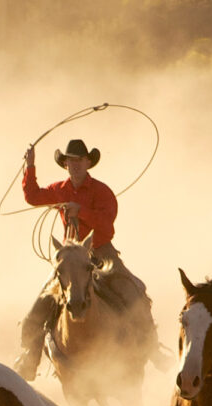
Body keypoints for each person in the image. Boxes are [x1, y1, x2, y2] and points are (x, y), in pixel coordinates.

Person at [13, 138, 157, 381]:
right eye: (70, 161)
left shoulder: (102, 192)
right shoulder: (60, 189)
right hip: (70, 258)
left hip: (103, 253)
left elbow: (107, 225)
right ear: (65, 164)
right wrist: (30, 166)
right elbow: (33, 196)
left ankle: (151, 348)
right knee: (38, 308)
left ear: (88, 162)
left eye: (79, 160)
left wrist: (80, 210)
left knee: (133, 291)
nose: (75, 165)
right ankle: (31, 357)